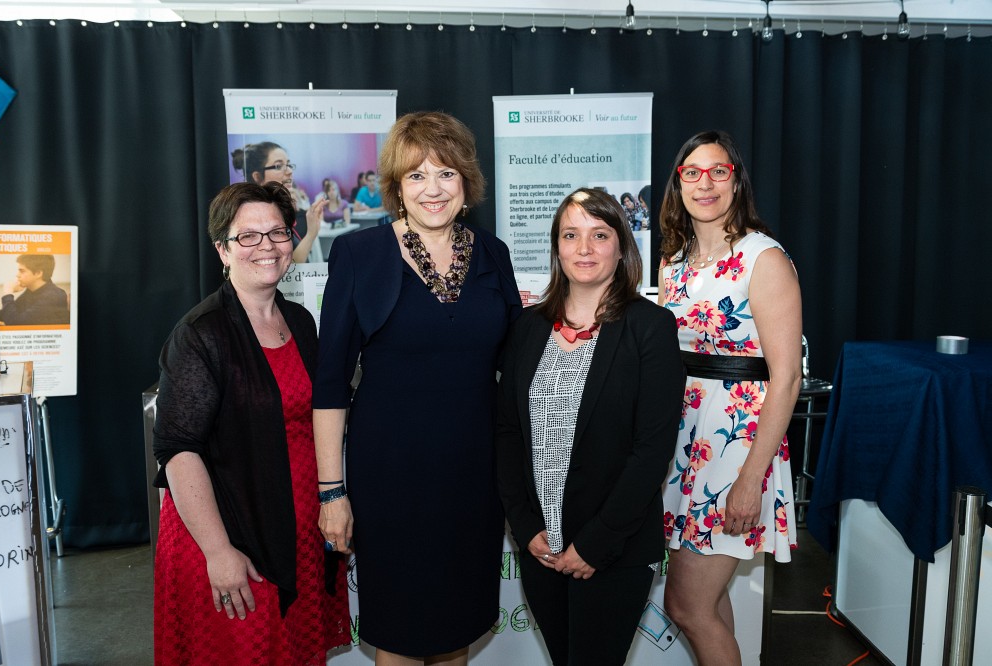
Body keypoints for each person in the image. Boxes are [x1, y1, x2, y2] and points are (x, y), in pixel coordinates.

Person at [314, 111, 522, 666]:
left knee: (457, 628)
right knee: (401, 634)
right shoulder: (359, 255)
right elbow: (330, 384)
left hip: (473, 478)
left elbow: (517, 364)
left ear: (466, 182)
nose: (433, 188)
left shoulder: (493, 254)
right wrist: (332, 493)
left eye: (446, 173)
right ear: (397, 186)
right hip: (390, 479)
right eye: (417, 175)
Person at [152, 182, 350, 665]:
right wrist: (218, 552)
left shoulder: (300, 321)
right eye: (248, 236)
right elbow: (178, 450)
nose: (267, 246)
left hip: (299, 529)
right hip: (230, 536)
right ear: (223, 249)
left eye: (278, 232)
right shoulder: (200, 334)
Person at [496, 187, 684, 666]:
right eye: (570, 235)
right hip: (541, 547)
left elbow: (652, 450)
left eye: (599, 235)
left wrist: (595, 544)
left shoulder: (651, 327)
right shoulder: (527, 328)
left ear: (621, 247)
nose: (584, 248)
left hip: (613, 549)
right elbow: (508, 433)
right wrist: (526, 527)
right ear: (556, 248)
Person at [658, 130, 801, 665]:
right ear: (679, 183)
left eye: (719, 171)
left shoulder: (763, 258)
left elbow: (786, 378)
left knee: (687, 605)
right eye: (692, 172)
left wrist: (749, 480)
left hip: (738, 444)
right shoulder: (674, 261)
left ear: (736, 181)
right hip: (685, 443)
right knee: (710, 604)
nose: (706, 183)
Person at [231, 141, 324, 262]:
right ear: (257, 177)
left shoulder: (279, 209)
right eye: (278, 166)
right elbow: (288, 265)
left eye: (288, 164)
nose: (289, 171)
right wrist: (311, 233)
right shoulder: (254, 216)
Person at [0, 254, 69, 325]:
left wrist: (8, 292)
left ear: (38, 273)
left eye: (22, 271)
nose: (17, 275)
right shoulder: (32, 291)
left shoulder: (53, 296)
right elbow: (8, 315)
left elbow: (15, 322)